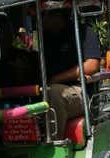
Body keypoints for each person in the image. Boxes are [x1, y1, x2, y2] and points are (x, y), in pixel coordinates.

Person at [42, 8, 101, 138]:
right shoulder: (44, 37)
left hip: (78, 91)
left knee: (54, 93)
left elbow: (92, 65)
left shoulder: (83, 31)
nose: (40, 20)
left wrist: (57, 78)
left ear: (57, 16)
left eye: (43, 15)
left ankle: (53, 143)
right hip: (44, 88)